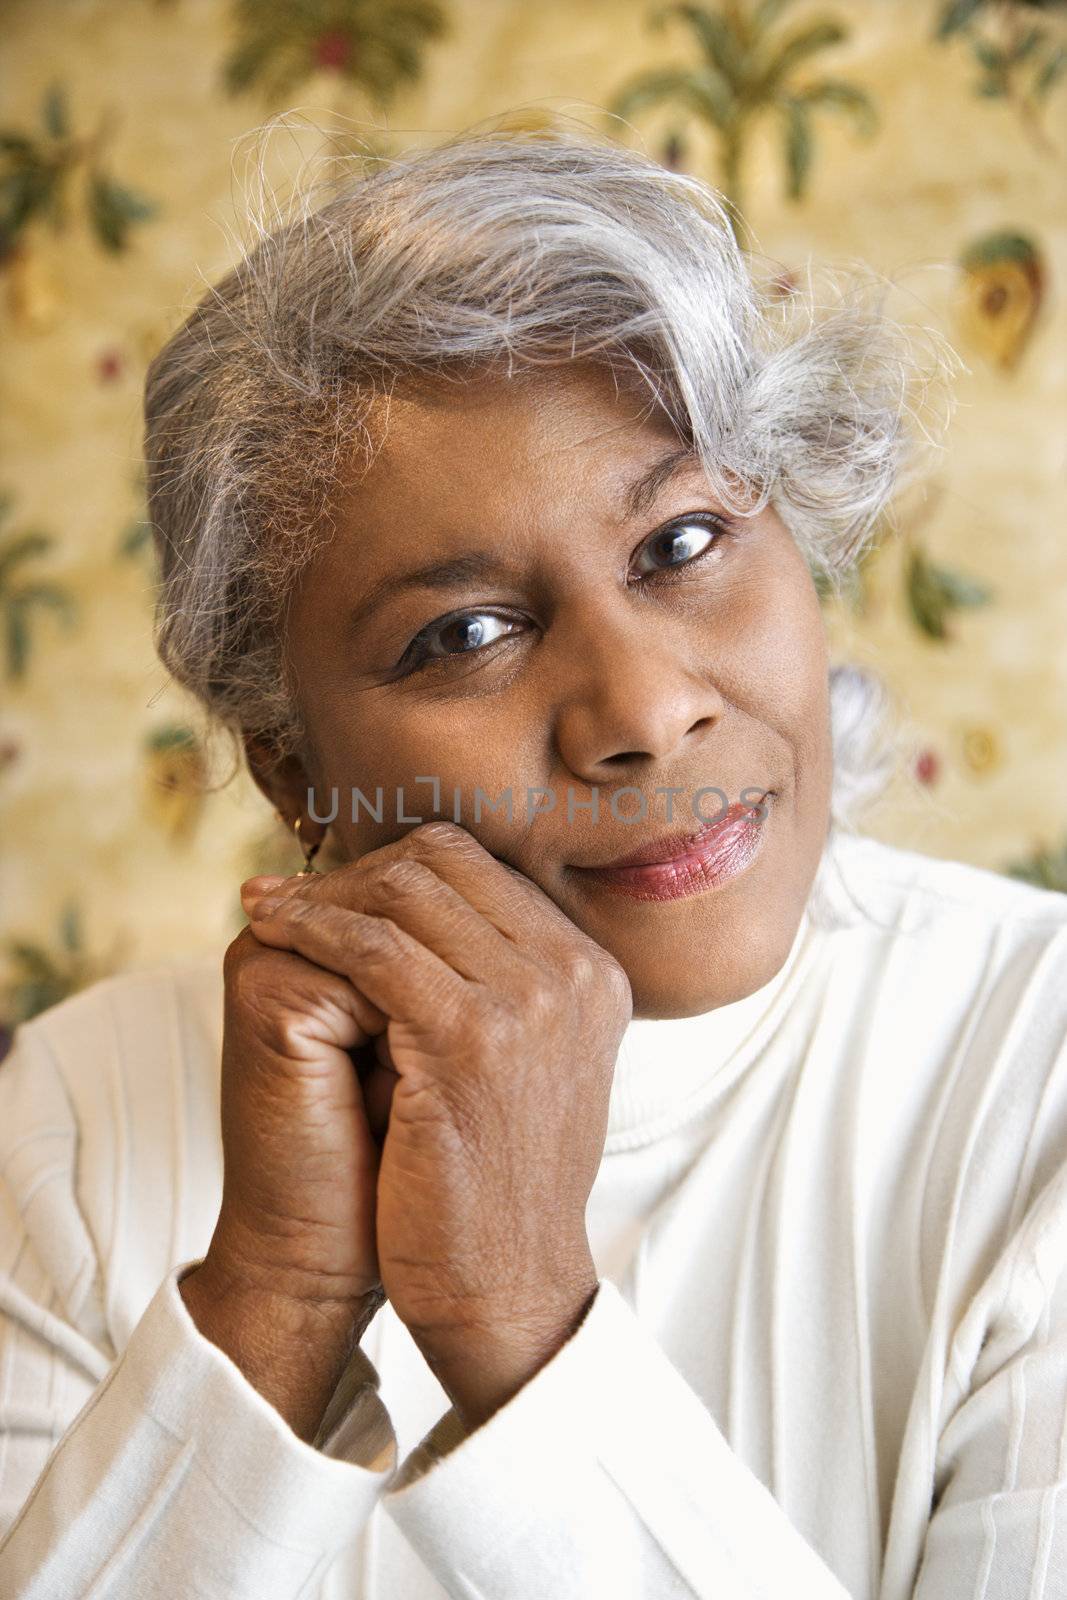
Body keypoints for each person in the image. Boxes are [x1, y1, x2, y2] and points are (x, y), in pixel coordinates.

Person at [1, 124, 1065, 1600]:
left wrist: (517, 1316)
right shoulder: (80, 1123)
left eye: (683, 540)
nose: (641, 711)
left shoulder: (1041, 1072)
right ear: (295, 770)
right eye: (467, 635)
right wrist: (280, 1294)